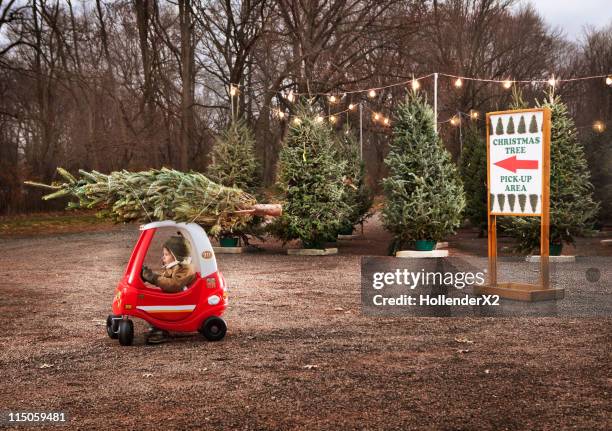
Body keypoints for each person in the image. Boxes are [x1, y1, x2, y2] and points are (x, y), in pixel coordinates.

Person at [141, 235, 196, 344]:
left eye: (166, 254)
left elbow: (173, 285)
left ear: (176, 256)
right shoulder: (175, 266)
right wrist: (149, 276)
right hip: (175, 296)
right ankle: (158, 327)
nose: (163, 257)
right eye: (164, 254)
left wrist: (153, 278)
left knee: (155, 304)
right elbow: (164, 280)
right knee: (149, 298)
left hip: (181, 300)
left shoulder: (185, 268)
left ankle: (159, 331)